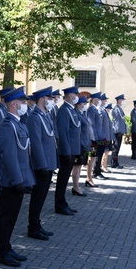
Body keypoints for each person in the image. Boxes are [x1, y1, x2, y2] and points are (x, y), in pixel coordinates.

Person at [0, 87, 35, 267]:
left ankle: (7, 246)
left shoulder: (18, 123)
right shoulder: (7, 125)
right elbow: (9, 157)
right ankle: (1, 251)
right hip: (11, 181)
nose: (26, 105)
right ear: (13, 103)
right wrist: (18, 180)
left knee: (12, 217)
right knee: (5, 217)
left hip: (19, 179)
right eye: (23, 102)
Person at [27, 87, 57, 240]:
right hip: (42, 164)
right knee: (37, 196)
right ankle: (33, 227)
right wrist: (42, 164)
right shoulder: (35, 117)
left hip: (49, 161)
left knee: (43, 196)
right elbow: (36, 143)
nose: (51, 101)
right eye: (49, 98)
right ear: (42, 99)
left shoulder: (45, 116)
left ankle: (37, 223)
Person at [54, 86, 81, 215]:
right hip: (67, 151)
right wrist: (66, 151)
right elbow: (63, 133)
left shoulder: (71, 110)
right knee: (62, 179)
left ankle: (63, 202)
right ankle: (59, 204)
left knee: (65, 179)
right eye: (76, 94)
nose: (78, 96)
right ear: (70, 96)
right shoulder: (64, 110)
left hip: (72, 150)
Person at [71, 96, 91, 196]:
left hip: (83, 143)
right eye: (83, 103)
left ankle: (76, 186)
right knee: (76, 166)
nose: (85, 105)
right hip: (79, 144)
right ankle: (75, 186)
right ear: (78, 104)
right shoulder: (76, 114)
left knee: (79, 166)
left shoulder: (81, 113)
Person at [111, 94, 127, 169]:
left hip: (120, 131)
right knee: (116, 148)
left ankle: (115, 162)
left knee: (117, 148)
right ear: (118, 100)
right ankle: (114, 163)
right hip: (117, 131)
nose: (122, 102)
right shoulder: (116, 109)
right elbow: (116, 121)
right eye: (122, 100)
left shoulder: (119, 108)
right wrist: (118, 131)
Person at [101, 103, 114, 172]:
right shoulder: (104, 114)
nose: (109, 110)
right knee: (105, 152)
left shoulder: (107, 115)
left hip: (108, 136)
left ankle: (104, 165)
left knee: (107, 152)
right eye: (109, 108)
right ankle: (103, 166)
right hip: (105, 137)